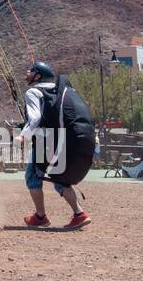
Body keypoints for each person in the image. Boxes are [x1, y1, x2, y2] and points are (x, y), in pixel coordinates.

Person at [17, 61, 94, 229]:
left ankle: (40, 216)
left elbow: (35, 118)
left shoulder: (33, 92)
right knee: (58, 175)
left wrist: (23, 135)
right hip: (63, 141)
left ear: (38, 75)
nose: (27, 72)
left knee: (32, 175)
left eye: (31, 70)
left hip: (45, 142)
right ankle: (79, 213)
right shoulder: (60, 91)